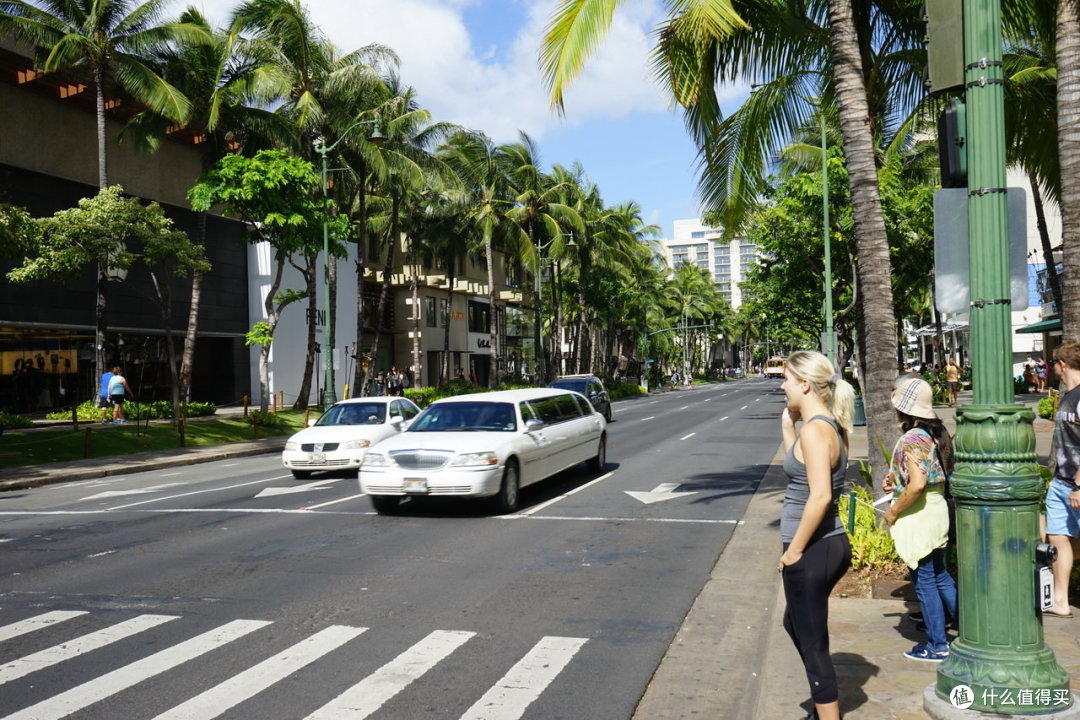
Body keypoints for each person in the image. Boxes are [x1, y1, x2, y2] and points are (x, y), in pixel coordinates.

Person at [778, 350, 855, 720]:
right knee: (796, 624)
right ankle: (825, 706)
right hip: (829, 544)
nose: (782, 385)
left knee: (812, 643)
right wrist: (786, 424)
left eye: (788, 379)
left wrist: (793, 550)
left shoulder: (815, 430)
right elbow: (802, 466)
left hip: (813, 547)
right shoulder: (828, 426)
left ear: (805, 384)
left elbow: (821, 495)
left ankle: (828, 714)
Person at [881, 375, 958, 661]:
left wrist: (893, 511)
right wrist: (894, 480)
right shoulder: (937, 433)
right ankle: (960, 627)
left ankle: (937, 643)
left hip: (920, 514)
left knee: (924, 580)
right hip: (937, 509)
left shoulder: (912, 438)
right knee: (940, 575)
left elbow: (916, 484)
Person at [1045, 341, 1080, 619]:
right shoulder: (1067, 395)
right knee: (1057, 538)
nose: (1053, 368)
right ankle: (1060, 600)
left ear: (1062, 365)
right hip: (1060, 482)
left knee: (1063, 540)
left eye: (1054, 364)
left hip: (1076, 483)